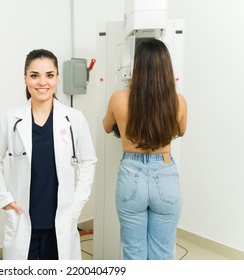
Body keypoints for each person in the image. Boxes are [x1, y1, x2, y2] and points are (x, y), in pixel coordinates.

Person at [0, 49, 97, 260]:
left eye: (49, 75)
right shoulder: (10, 119)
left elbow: (88, 161)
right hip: (23, 218)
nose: (42, 82)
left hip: (60, 219)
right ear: (25, 78)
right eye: (34, 75)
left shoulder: (74, 119)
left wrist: (78, 202)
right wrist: (4, 198)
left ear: (57, 78)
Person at [102, 38, 188, 260]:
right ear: (166, 67)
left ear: (137, 66)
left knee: (133, 253)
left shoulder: (118, 98)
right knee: (162, 254)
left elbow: (106, 126)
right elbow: (180, 131)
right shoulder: (179, 102)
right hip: (165, 175)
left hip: (131, 177)